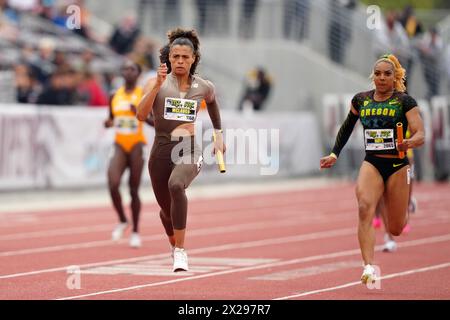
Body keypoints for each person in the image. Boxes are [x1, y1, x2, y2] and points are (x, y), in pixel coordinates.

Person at [320, 54, 425, 284]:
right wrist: (334, 153)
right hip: (373, 162)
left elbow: (420, 133)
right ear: (373, 76)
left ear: (395, 76)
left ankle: (401, 202)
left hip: (397, 165)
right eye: (377, 73)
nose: (381, 77)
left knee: (396, 228)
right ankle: (368, 267)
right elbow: (347, 126)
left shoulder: (404, 101)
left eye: (387, 74)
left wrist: (409, 142)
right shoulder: (361, 100)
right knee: (364, 206)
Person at [137, 28, 225, 272]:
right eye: (175, 57)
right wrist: (155, 86)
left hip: (189, 149)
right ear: (169, 57)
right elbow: (140, 114)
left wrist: (219, 135)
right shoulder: (156, 82)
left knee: (176, 185)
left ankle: (181, 252)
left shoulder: (202, 86)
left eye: (185, 57)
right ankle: (174, 243)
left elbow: (213, 101)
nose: (180, 61)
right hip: (161, 150)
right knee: (167, 213)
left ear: (193, 58)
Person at [104, 60, 152, 248]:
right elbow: (110, 118)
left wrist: (140, 114)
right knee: (113, 183)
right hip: (119, 143)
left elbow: (154, 123)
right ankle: (123, 219)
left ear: (138, 74)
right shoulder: (114, 95)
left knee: (133, 189)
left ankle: (135, 231)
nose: (128, 71)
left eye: (132, 69)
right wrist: (107, 123)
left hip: (137, 145)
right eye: (125, 68)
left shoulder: (144, 95)